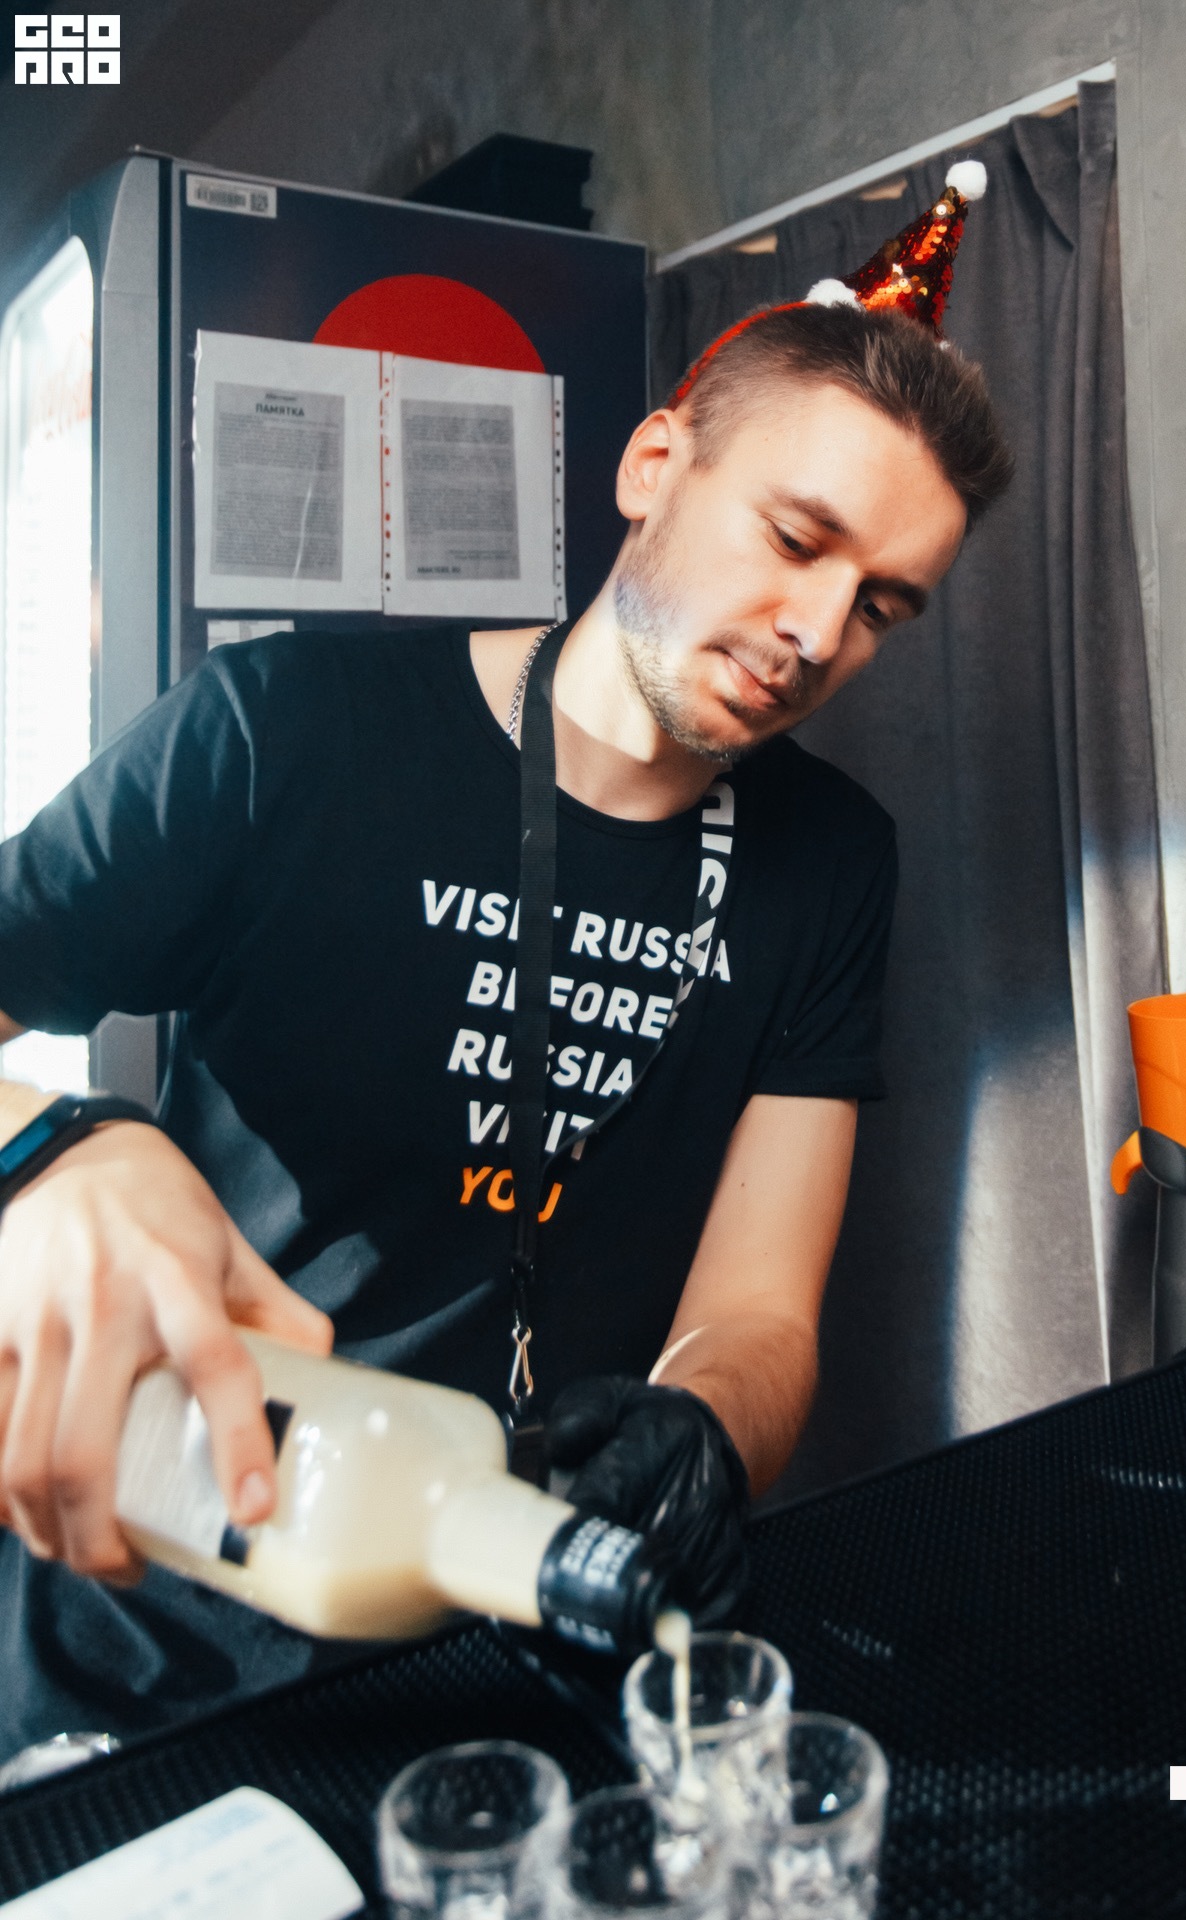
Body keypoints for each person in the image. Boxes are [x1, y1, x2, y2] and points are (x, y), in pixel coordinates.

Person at [0, 214, 1012, 1760]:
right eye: (796, 540)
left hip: (510, 1636)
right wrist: (49, 1151)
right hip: (151, 1621)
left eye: (881, 605)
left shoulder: (831, 860)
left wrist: (704, 1434)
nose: (818, 634)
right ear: (654, 466)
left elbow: (756, 1309)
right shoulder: (282, 729)